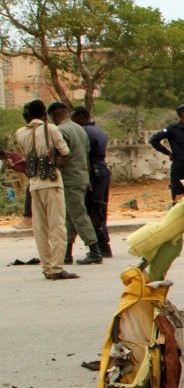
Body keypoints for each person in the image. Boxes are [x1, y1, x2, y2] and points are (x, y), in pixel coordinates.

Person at [13, 100, 77, 280]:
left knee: (40, 228)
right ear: (44, 114)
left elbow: (25, 156)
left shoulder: (20, 133)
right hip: (52, 182)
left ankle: (47, 266)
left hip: (34, 183)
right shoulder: (51, 129)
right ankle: (56, 268)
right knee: (57, 226)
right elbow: (65, 152)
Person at [48, 102, 102, 265]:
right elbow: (85, 156)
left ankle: (94, 249)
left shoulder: (60, 131)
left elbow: (64, 156)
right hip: (81, 177)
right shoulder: (80, 129)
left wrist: (54, 168)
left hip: (70, 179)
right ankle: (67, 253)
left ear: (54, 115)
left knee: (78, 214)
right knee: (70, 216)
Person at [74, 107, 112, 257]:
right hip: (102, 170)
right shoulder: (99, 130)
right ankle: (104, 244)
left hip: (93, 172)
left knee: (93, 209)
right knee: (100, 208)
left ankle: (101, 245)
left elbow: (84, 155)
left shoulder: (85, 132)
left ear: (82, 117)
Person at [148, 104, 184, 201]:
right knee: (178, 194)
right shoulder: (173, 128)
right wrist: (167, 153)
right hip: (180, 167)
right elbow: (154, 140)